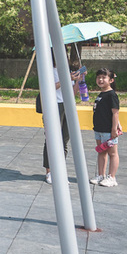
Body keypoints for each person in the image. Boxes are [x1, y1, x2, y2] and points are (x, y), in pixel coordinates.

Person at [41, 53, 80, 184]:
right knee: (52, 139)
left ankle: (60, 171)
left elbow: (72, 93)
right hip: (53, 106)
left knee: (64, 140)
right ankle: (49, 171)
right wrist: (66, 78)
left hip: (68, 105)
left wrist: (79, 80)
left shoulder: (67, 70)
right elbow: (48, 89)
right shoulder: (47, 70)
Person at [91, 68, 121, 187]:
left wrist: (114, 129)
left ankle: (112, 177)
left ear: (111, 80)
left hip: (108, 130)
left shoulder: (112, 95)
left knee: (112, 153)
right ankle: (101, 175)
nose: (100, 80)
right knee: (101, 152)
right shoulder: (102, 94)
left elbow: (115, 113)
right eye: (98, 77)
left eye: (104, 77)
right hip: (99, 129)